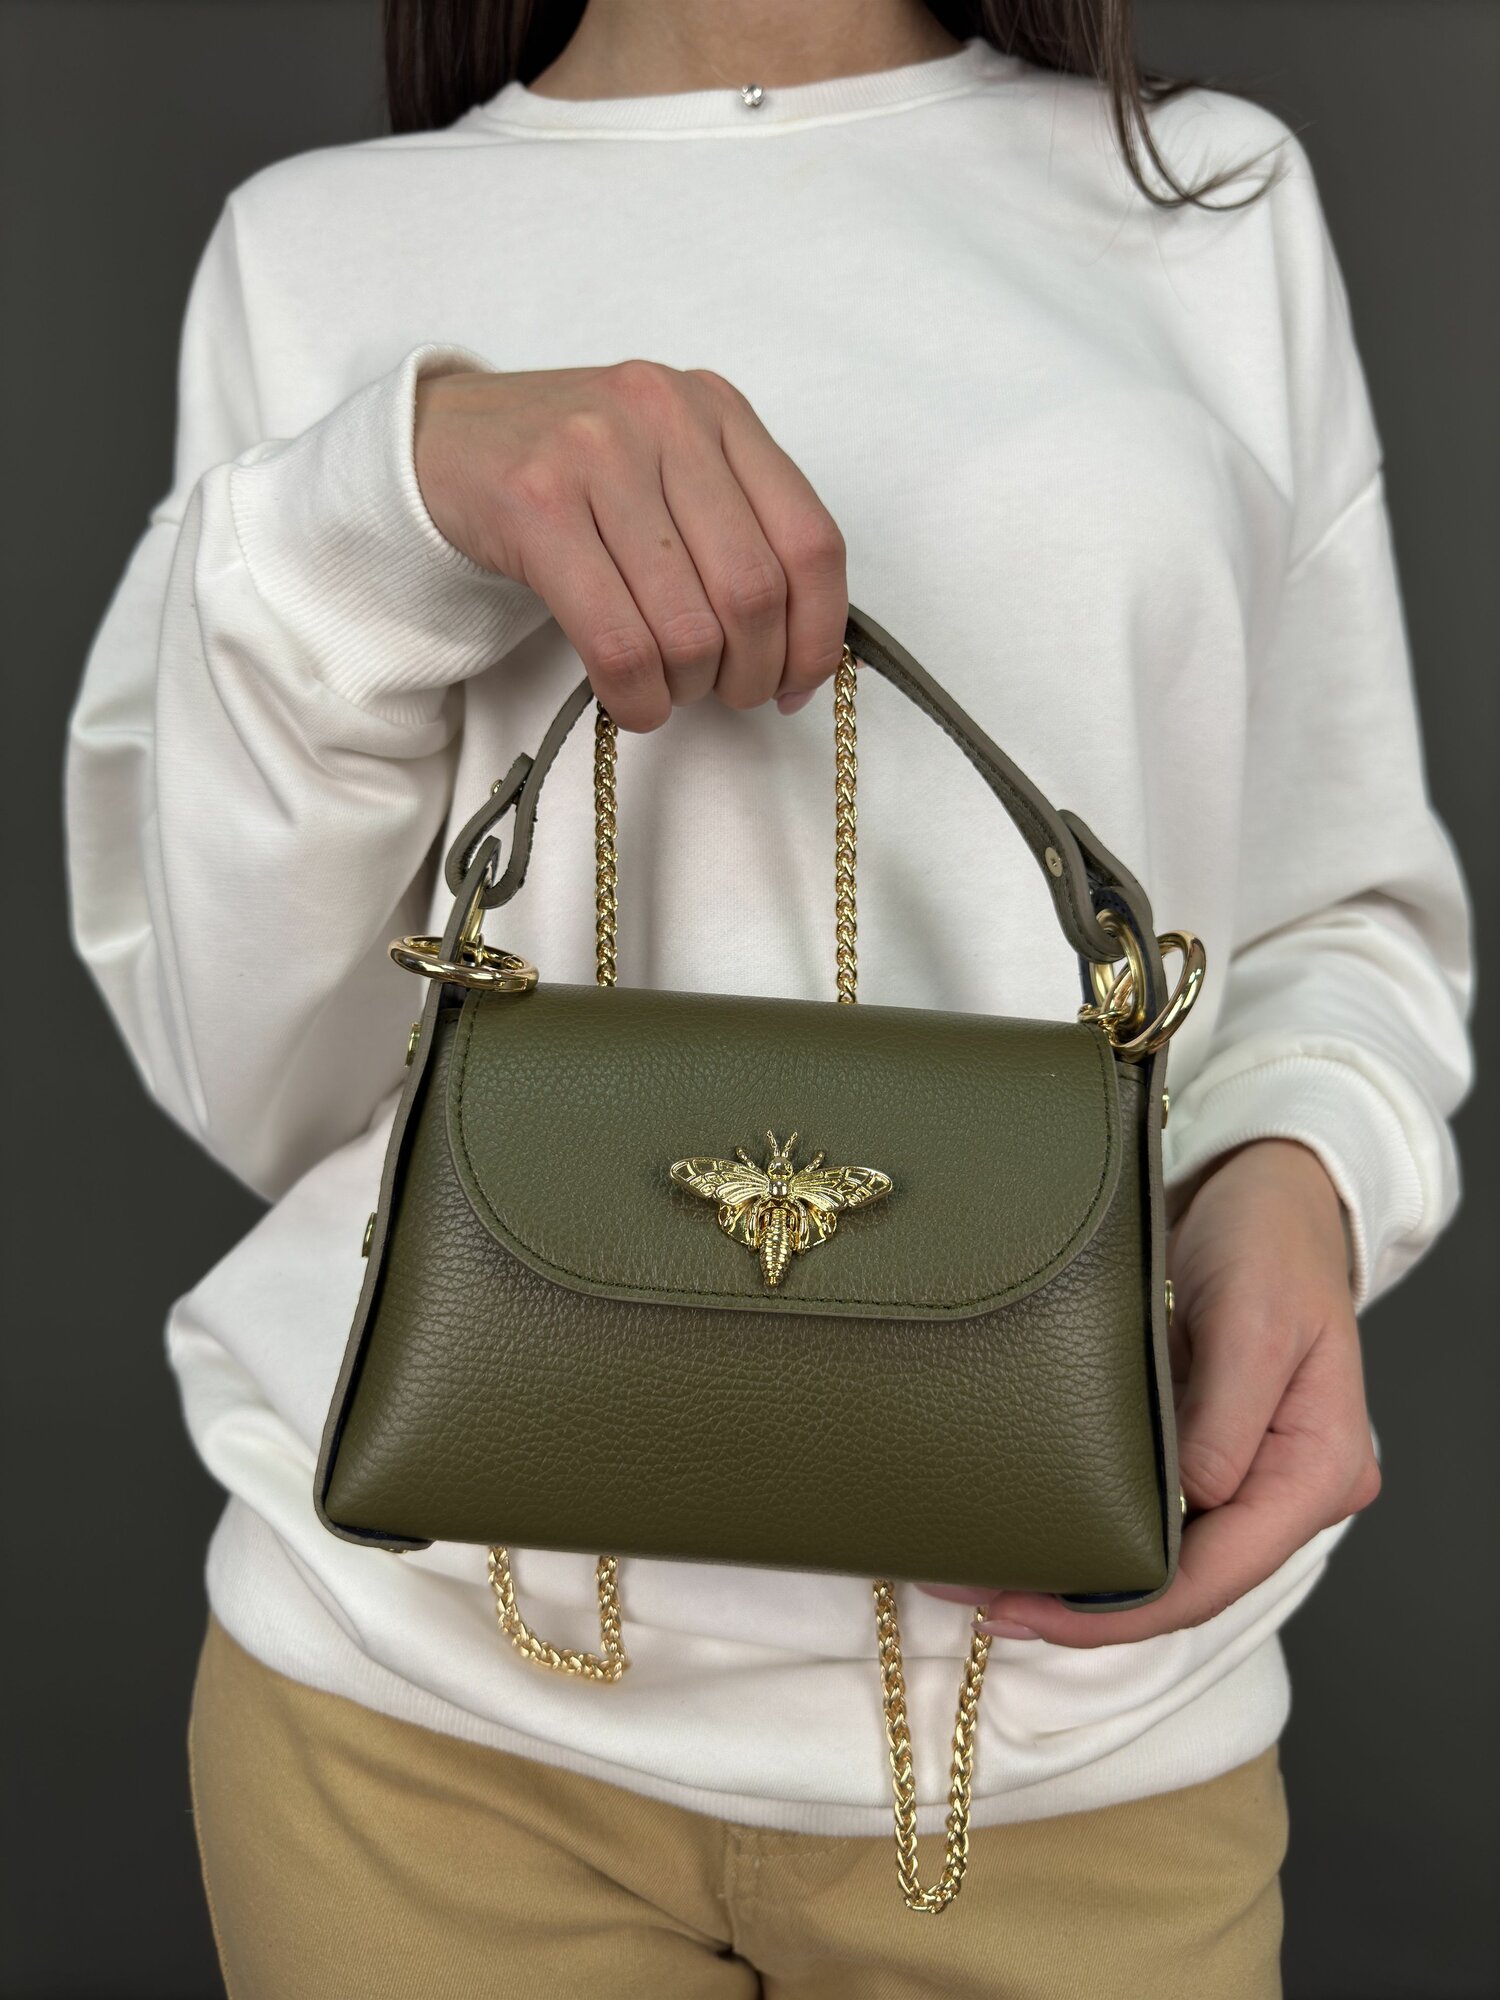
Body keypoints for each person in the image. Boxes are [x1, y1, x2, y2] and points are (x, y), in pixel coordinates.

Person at [63, 1, 1474, 1994]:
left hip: (1066, 1737)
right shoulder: (315, 247)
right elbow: (269, 1076)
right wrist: (384, 502)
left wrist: (1302, 1176)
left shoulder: (1212, 197)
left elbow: (1340, 908)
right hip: (411, 1714)